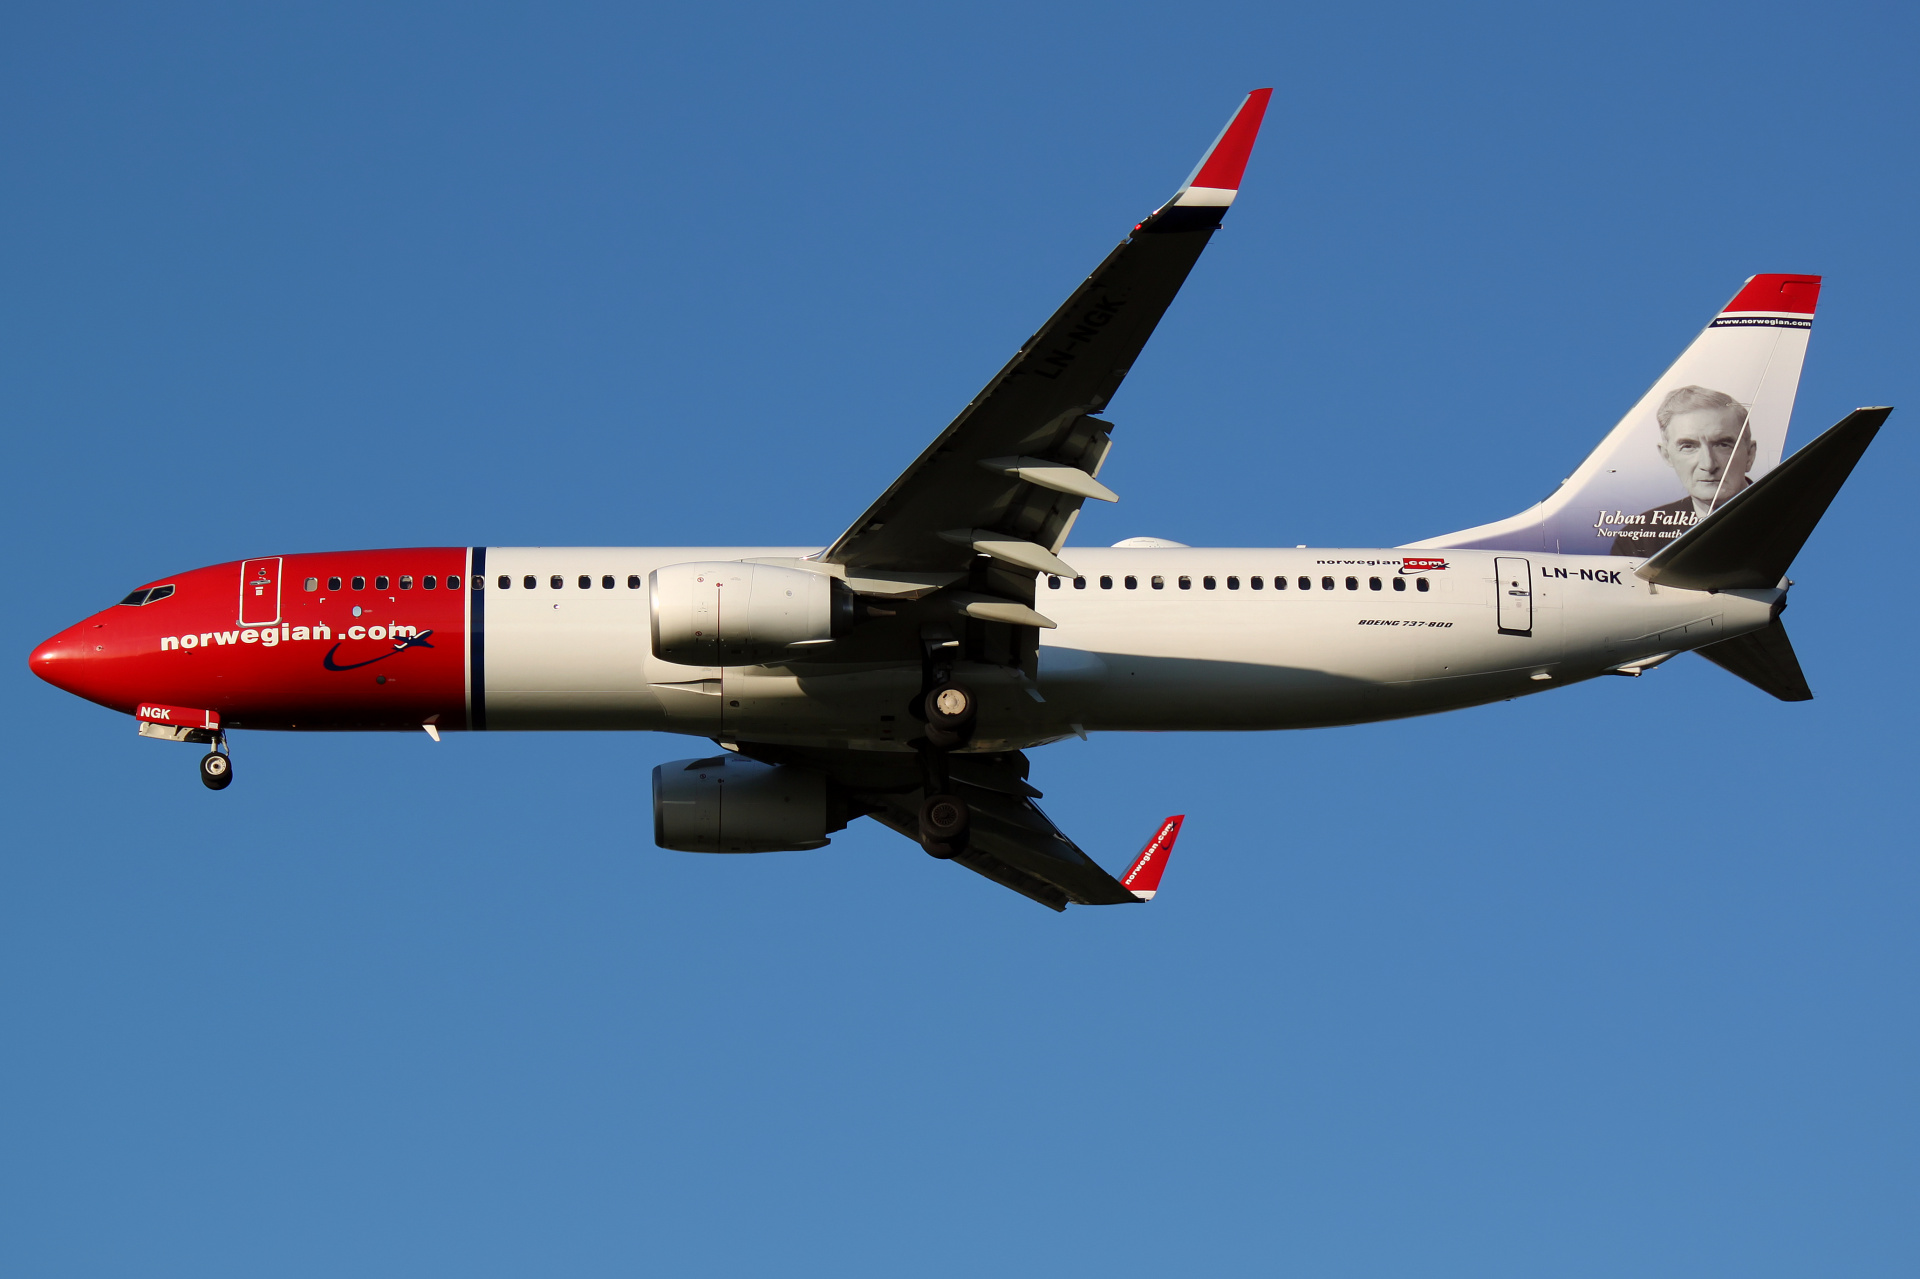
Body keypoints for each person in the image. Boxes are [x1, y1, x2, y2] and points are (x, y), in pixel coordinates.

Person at [1609, 385, 1755, 558]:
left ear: (1750, 454)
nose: (1708, 464)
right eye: (1688, 447)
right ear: (1667, 456)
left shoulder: (1785, 520)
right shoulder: (1640, 535)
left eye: (1723, 445)